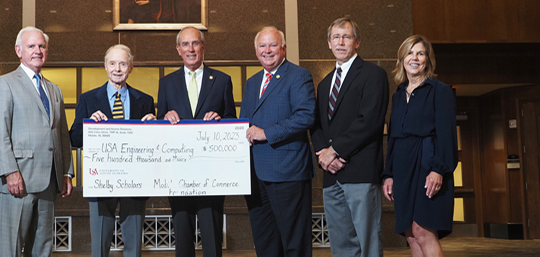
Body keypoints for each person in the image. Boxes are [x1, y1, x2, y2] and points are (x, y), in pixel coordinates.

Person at [0, 27, 74, 257]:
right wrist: (9, 171)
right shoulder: (4, 83)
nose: (38, 51)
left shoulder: (54, 90)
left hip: (49, 182)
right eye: (31, 46)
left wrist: (66, 172)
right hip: (19, 180)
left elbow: (62, 134)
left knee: (42, 248)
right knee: (11, 249)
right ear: (18, 50)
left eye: (42, 46)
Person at [311, 18, 389, 257]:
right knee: (341, 244)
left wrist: (336, 151)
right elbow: (317, 126)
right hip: (332, 176)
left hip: (361, 172)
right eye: (336, 37)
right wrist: (325, 156)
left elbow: (370, 120)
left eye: (346, 37)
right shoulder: (324, 84)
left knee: (368, 243)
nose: (341, 41)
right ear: (329, 43)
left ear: (357, 42)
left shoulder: (373, 74)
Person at [69, 44, 156, 257]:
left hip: (135, 183)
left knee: (134, 248)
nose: (118, 68)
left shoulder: (145, 101)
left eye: (123, 63)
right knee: (99, 247)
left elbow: (154, 147)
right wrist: (89, 123)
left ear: (131, 67)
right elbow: (75, 139)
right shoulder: (88, 99)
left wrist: (156, 127)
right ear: (105, 67)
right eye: (113, 63)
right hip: (101, 182)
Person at [157, 26, 236, 257]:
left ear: (203, 47)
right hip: (178, 173)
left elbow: (232, 120)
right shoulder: (166, 83)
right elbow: (160, 127)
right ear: (178, 50)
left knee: (211, 234)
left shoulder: (222, 80)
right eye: (185, 44)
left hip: (211, 174)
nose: (190, 49)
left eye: (195, 43)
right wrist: (164, 118)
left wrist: (221, 120)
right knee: (182, 234)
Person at [241, 26, 316, 257]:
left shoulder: (298, 75)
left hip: (288, 171)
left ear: (283, 48)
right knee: (265, 242)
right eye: (262, 46)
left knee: (294, 241)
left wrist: (267, 133)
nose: (267, 50)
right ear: (256, 50)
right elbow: (245, 123)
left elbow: (306, 115)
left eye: (273, 45)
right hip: (255, 175)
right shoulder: (252, 82)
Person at [382, 35, 457, 257]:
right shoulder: (398, 95)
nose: (414, 58)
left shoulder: (439, 90)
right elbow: (393, 137)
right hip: (403, 169)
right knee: (411, 234)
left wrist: (438, 169)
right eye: (409, 53)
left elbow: (447, 135)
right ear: (402, 59)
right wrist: (389, 174)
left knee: (423, 231)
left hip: (428, 164)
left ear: (428, 60)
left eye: (420, 53)